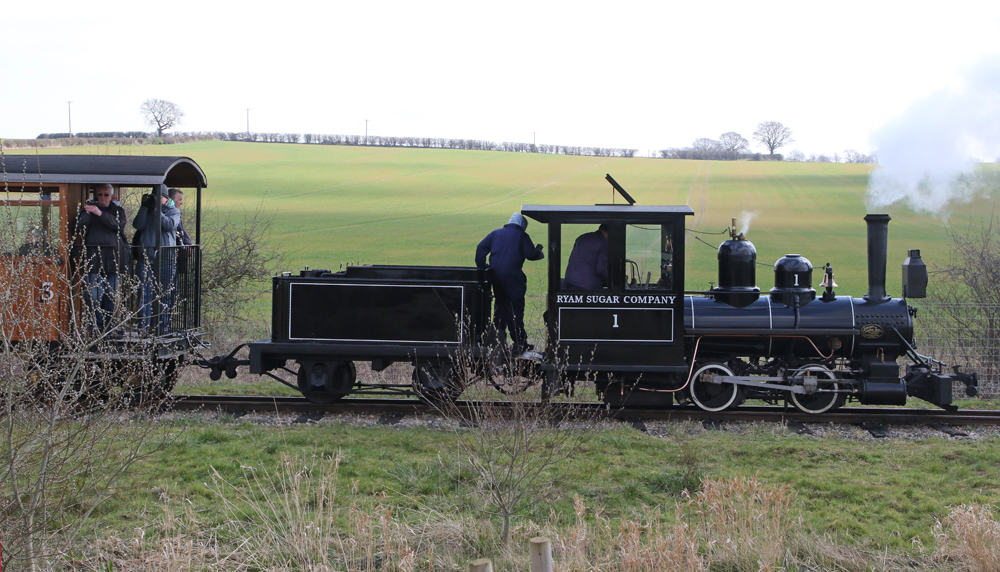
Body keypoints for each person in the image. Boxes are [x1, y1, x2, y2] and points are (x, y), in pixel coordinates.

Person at [475, 213, 544, 356]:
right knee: (515, 310)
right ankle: (519, 344)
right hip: (514, 279)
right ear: (523, 225)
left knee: (500, 307)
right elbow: (531, 254)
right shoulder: (521, 236)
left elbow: (480, 248)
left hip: (496, 277)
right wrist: (539, 252)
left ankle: (498, 342)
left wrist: (483, 267)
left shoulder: (495, 233)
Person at [76, 183, 129, 334]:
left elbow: (119, 225)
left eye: (106, 195)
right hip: (94, 262)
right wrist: (88, 211)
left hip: (114, 261)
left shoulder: (117, 211)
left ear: (111, 196)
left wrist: (100, 213)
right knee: (94, 297)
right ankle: (95, 328)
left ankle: (110, 327)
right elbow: (80, 226)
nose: (103, 197)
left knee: (111, 297)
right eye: (100, 194)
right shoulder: (88, 211)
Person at [133, 187, 181, 333]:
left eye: (158, 197)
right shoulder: (148, 211)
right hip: (146, 259)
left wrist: (156, 211)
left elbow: (168, 225)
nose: (156, 200)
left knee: (164, 295)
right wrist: (144, 206)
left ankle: (162, 329)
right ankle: (143, 329)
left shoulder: (173, 211)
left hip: (166, 260)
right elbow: (138, 225)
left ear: (165, 198)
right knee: (144, 295)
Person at [565, 224, 609, 290]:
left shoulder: (582, 238)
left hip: (571, 281)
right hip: (587, 285)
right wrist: (609, 282)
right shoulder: (603, 243)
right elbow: (601, 270)